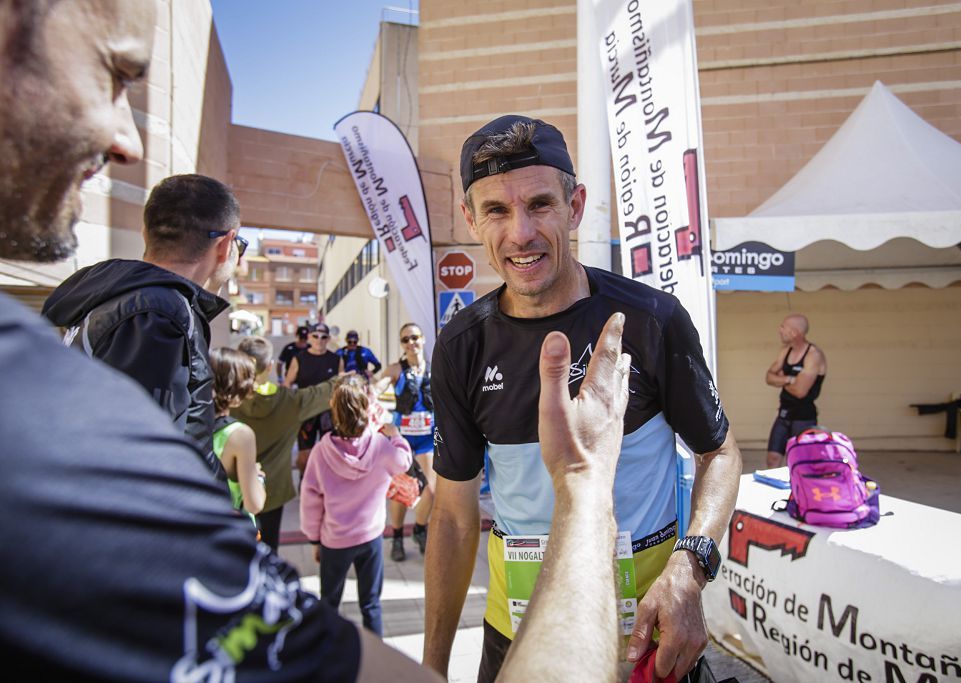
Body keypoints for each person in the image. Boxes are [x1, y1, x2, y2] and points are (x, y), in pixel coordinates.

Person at [0, 1, 633, 678]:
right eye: (115, 73)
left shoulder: (82, 326)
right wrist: (585, 485)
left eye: (539, 204)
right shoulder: (150, 321)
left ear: (574, 206)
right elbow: (136, 501)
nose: (126, 137)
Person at [424, 115, 743, 682]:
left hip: (647, 632)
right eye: (496, 210)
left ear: (575, 207)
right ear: (471, 220)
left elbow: (719, 453)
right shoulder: (461, 346)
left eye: (540, 204)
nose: (520, 232)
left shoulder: (652, 319)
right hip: (519, 631)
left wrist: (689, 568)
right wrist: (432, 667)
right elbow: (452, 517)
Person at [41, 173, 244, 479]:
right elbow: (146, 466)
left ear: (145, 234)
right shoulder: (157, 313)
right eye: (241, 242)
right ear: (226, 245)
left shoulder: (136, 300)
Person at [301, 376, 413, 636]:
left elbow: (310, 500)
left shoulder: (321, 452)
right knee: (371, 604)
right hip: (370, 538)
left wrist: (314, 539)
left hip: (334, 541)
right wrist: (396, 436)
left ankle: (327, 658)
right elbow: (404, 461)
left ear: (333, 409)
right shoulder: (381, 446)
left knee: (329, 603)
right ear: (366, 408)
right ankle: (376, 664)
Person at [234, 335, 341, 552]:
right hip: (272, 493)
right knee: (268, 550)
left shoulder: (225, 399)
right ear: (271, 366)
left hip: (232, 493)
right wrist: (346, 379)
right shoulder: (289, 402)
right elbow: (321, 393)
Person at [376, 322, 435, 562]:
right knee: (400, 491)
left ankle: (420, 529)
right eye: (405, 340)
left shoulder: (435, 368)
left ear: (422, 339)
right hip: (403, 440)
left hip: (428, 439)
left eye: (414, 338)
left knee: (431, 490)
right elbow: (377, 387)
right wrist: (369, 389)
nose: (411, 343)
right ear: (402, 345)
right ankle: (397, 536)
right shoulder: (395, 370)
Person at [210, 347, 266, 526]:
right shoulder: (240, 435)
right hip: (228, 535)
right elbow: (254, 504)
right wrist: (258, 477)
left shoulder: (180, 423)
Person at [764, 314, 827, 468]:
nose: (780, 330)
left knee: (799, 461)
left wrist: (781, 379)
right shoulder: (786, 351)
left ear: (795, 332)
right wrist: (790, 379)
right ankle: (775, 492)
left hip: (804, 417)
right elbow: (768, 377)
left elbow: (800, 391)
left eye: (783, 327)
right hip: (784, 413)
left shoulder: (813, 355)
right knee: (772, 458)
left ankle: (797, 491)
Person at [286, 321, 344, 477]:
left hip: (329, 412)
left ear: (328, 339)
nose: (319, 340)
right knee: (305, 455)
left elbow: (342, 386)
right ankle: (305, 482)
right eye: (316, 336)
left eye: (324, 337)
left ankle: (329, 484)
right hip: (306, 412)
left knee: (332, 451)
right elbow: (287, 384)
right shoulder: (299, 359)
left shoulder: (336, 360)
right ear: (309, 337)